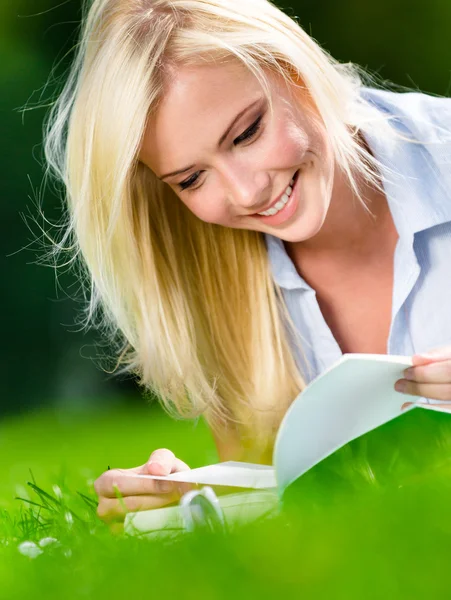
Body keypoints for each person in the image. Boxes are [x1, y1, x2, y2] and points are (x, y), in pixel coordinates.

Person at [43, 0, 451, 526]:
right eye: (191, 179)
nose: (247, 191)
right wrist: (198, 494)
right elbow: (300, 510)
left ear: (294, 69)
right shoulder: (207, 268)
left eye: (246, 133)